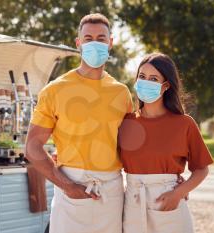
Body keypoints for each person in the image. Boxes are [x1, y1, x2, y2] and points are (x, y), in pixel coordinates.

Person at [25, 13, 133, 233]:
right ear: (78, 44)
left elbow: (132, 149)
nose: (95, 43)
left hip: (111, 192)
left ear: (110, 43)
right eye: (88, 38)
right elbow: (32, 147)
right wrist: (68, 186)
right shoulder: (55, 90)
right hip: (70, 189)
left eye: (101, 39)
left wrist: (170, 177)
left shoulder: (121, 93)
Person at [119, 52, 213, 233]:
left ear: (166, 86)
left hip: (169, 204)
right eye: (142, 76)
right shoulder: (125, 122)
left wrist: (178, 193)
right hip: (133, 203)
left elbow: (201, 168)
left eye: (153, 79)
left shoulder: (184, 124)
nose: (146, 82)